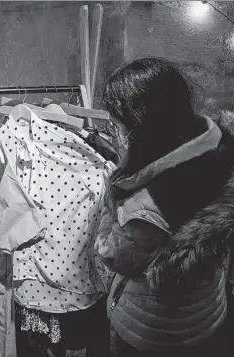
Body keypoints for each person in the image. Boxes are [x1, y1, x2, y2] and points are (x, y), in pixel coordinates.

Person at [95, 58, 234, 357]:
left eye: (118, 127)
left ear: (143, 131)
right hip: (208, 312)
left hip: (152, 330)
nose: (115, 136)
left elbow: (113, 255)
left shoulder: (144, 209)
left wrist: (109, 211)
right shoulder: (220, 147)